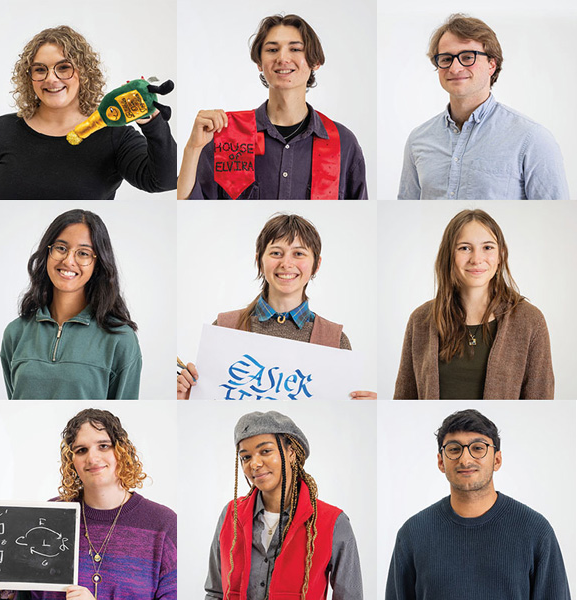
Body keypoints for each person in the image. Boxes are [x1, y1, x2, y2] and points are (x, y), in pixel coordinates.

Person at [177, 213, 375, 399]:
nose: (286, 263)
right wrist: (186, 397)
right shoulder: (224, 327)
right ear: (259, 261)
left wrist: (366, 409)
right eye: (276, 253)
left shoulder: (335, 340)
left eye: (298, 253)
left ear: (317, 264)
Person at [0, 408, 177, 600]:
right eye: (81, 450)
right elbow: (25, 594)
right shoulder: (51, 516)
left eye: (103, 446)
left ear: (122, 451)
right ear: (72, 461)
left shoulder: (163, 524)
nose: (92, 458)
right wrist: (5, 589)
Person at [178, 14, 367, 200]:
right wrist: (193, 149)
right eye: (272, 50)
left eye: (295, 49)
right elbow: (193, 204)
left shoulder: (343, 143)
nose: (282, 58)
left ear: (315, 61)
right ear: (259, 63)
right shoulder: (229, 135)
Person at [385, 409, 571, 599]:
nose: (465, 459)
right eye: (454, 449)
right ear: (441, 462)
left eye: (478, 448)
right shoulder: (413, 534)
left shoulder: (535, 531)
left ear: (497, 460)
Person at [0, 25, 177, 199]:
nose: (51, 79)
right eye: (40, 70)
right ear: (29, 77)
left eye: (64, 67)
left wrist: (150, 120)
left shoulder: (115, 136)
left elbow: (164, 181)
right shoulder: (0, 131)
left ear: (85, 73)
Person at [397, 13, 569, 200]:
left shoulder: (532, 140)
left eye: (468, 57)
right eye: (446, 59)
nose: (455, 68)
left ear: (492, 65)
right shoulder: (418, 140)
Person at [394, 209, 553, 399]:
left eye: (487, 247)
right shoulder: (420, 320)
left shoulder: (529, 321)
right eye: (464, 248)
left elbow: (540, 399)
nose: (477, 259)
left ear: (501, 255)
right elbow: (404, 397)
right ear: (449, 255)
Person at [205, 410, 362, 599]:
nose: (254, 464)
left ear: (291, 453)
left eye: (265, 451)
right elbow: (215, 592)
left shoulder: (333, 522)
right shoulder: (231, 514)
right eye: (246, 457)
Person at [1, 209, 142, 399]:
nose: (68, 260)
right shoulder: (16, 333)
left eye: (83, 253)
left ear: (98, 263)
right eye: (61, 248)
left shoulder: (120, 339)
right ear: (47, 252)